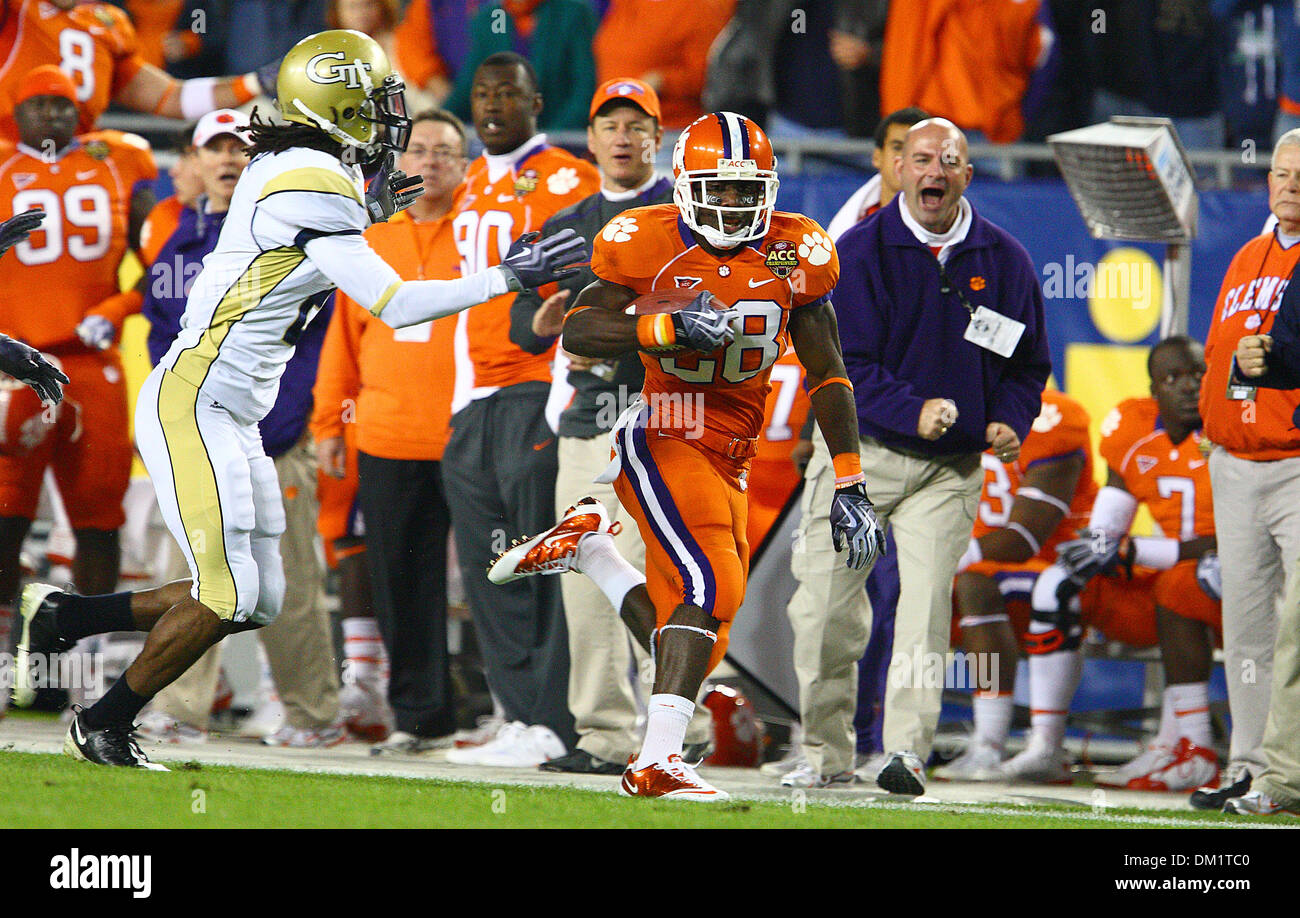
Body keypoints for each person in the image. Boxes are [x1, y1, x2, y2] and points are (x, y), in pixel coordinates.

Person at [9, 29, 587, 769]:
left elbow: (293, 249)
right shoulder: (314, 180)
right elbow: (398, 302)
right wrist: (509, 274)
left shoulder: (304, 168)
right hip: (196, 398)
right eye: (375, 104)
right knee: (225, 594)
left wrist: (368, 212)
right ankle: (107, 721)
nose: (388, 122)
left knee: (258, 598)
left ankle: (65, 614)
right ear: (335, 104)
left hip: (231, 409)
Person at [489, 110, 887, 801]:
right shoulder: (643, 240)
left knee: (702, 617)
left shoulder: (795, 251)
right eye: (718, 189)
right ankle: (656, 761)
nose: (732, 204)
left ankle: (597, 559)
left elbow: (829, 373)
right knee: (713, 585)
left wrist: (850, 479)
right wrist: (664, 323)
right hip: (664, 431)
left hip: (734, 448)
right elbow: (579, 329)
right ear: (684, 185)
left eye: (744, 189)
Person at [786, 117, 1049, 793]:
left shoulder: (1007, 259)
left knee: (926, 608)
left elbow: (1026, 366)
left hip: (948, 469)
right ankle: (826, 756)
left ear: (969, 175)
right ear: (899, 168)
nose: (934, 170)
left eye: (950, 161)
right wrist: (915, 410)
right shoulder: (860, 251)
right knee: (823, 615)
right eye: (922, 158)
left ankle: (905, 753)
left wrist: (1008, 420)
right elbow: (844, 366)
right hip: (857, 456)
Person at [506, 78, 712, 775]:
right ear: (590, 140)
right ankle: (600, 734)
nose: (624, 137)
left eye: (637, 126)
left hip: (671, 421)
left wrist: (619, 334)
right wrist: (535, 327)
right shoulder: (569, 222)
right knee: (585, 573)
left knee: (679, 573)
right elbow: (519, 315)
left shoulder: (688, 217)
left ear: (660, 140)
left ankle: (695, 722)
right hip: (589, 420)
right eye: (610, 126)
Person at [131, 109, 346, 749]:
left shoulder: (290, 234)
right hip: (202, 437)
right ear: (192, 164)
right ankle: (179, 705)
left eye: (240, 147)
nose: (228, 159)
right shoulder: (179, 243)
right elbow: (160, 335)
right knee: (200, 574)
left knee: (293, 586)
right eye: (214, 148)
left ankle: (313, 713)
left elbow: (314, 335)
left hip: (276, 434)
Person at [438, 52, 599, 768]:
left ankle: (556, 721)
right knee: (490, 567)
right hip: (472, 394)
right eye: (482, 93)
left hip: (534, 388)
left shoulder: (571, 178)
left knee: (539, 560)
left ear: (538, 103)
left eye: (510, 93)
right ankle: (516, 716)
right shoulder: (468, 178)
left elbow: (599, 266)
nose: (494, 104)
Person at [311, 108, 472, 754]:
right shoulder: (371, 237)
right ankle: (420, 719)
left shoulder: (484, 231)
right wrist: (328, 421)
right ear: (399, 163)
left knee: (500, 578)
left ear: (465, 165)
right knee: (401, 584)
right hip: (387, 434)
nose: (430, 161)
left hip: (472, 434)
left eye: (445, 151)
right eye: (419, 150)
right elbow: (342, 337)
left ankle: (518, 716)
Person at [1003, 337, 1221, 789]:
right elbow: (1109, 529)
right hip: (1166, 583)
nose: (1188, 387)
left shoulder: (1227, 428)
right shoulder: (1133, 425)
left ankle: (1185, 744)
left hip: (1223, 582)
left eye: (1198, 375)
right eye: (1172, 377)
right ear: (1153, 389)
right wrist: (1097, 546)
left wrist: (1136, 553)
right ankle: (1046, 744)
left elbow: (1237, 543)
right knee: (1057, 583)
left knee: (1180, 583)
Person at [0, 66, 157, 662]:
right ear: (15, 110)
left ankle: (90, 659)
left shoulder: (118, 160)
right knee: (5, 516)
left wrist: (118, 306)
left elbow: (165, 267)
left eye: (65, 105)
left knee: (99, 517)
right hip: (12, 362)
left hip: (92, 366)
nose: (55, 116)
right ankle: (5, 659)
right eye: (41, 104)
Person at [1194, 128, 1300, 809]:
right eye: (1282, 172)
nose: (1289, 183)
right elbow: (1217, 353)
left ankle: (1284, 775)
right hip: (1236, 463)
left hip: (1295, 462)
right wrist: (1214, 436)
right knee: (1248, 628)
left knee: (1296, 629)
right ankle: (1249, 763)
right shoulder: (1246, 256)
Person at [929, 388, 1095, 781]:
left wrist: (939, 561)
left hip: (1054, 567)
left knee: (973, 583)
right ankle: (867, 737)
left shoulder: (1052, 416)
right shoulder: (944, 405)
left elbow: (1024, 537)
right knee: (881, 586)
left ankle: (990, 743)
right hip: (974, 569)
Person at [0, 0, 277, 142]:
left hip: (73, 167)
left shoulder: (105, 24)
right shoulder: (17, 11)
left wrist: (256, 82)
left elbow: (172, 97)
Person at [443, 1, 597, 132]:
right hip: (503, 137)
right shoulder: (490, 17)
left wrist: (551, 137)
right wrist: (439, 121)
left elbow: (584, 89)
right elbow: (468, 87)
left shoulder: (573, 13)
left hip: (560, 138)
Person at [591, 0, 734, 130]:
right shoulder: (625, 4)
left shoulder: (700, 7)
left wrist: (663, 81)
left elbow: (712, 76)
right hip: (614, 126)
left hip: (668, 129)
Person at [826, 106, 928, 242]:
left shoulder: (952, 230)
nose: (905, 158)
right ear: (877, 157)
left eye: (917, 149)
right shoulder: (849, 232)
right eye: (898, 147)